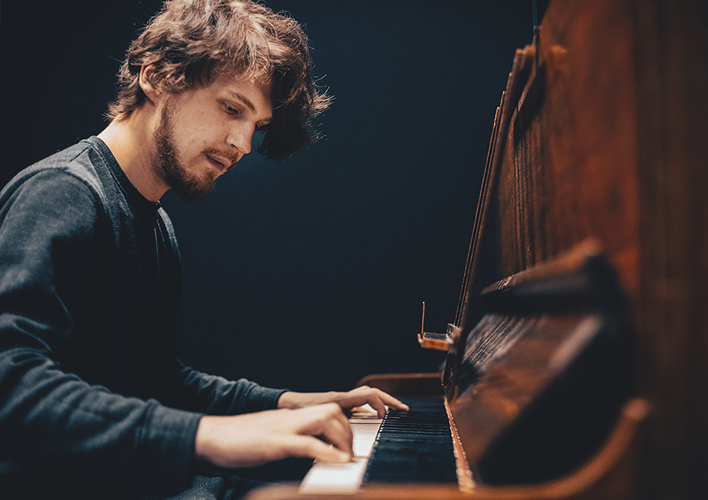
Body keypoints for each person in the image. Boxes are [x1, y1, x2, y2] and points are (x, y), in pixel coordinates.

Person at [0, 1, 407, 499]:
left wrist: (287, 404)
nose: (242, 144)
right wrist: (207, 436)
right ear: (156, 77)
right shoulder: (63, 193)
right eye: (231, 108)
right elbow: (10, 384)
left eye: (255, 126)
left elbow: (152, 380)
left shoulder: (155, 222)